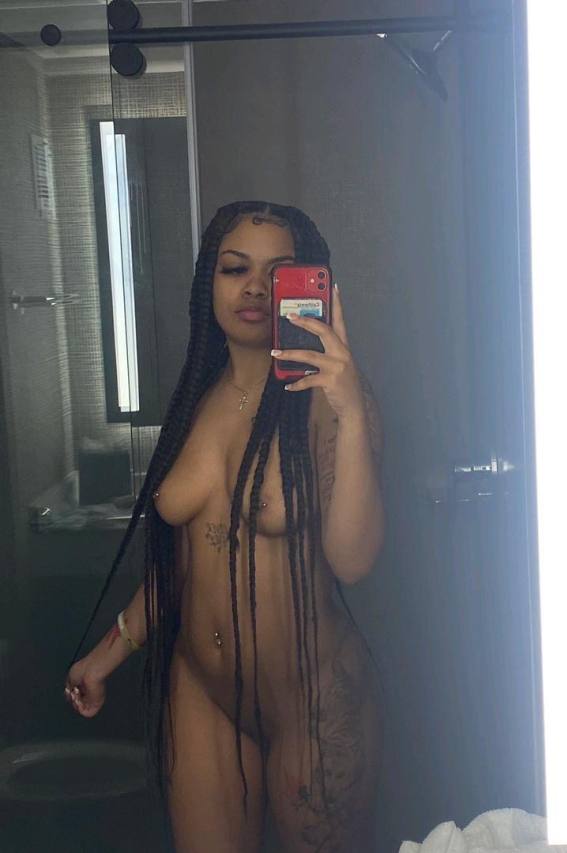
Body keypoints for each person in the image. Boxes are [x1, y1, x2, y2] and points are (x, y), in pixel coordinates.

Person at [63, 201, 385, 853]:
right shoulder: (196, 400)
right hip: (202, 694)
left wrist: (351, 411)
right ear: (207, 283)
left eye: (278, 272)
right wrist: (105, 655)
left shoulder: (328, 399)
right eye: (235, 268)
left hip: (311, 697)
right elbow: (182, 565)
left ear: (309, 285)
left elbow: (354, 562)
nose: (255, 288)